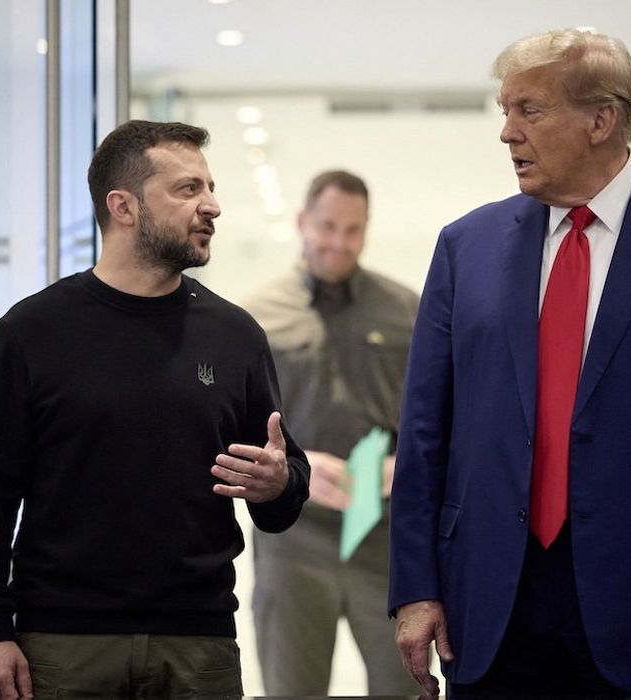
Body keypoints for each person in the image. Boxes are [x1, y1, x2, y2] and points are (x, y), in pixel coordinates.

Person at [388, 28, 631, 697]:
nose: (506, 133)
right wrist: (415, 588)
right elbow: (423, 431)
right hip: (489, 601)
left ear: (601, 119)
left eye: (528, 110)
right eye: (504, 111)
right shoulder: (466, 246)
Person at [0, 120, 310, 700]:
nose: (212, 205)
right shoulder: (32, 331)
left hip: (200, 646)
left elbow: (282, 487)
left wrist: (278, 483)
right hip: (62, 646)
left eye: (210, 187)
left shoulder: (234, 334)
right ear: (123, 206)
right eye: (188, 189)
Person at [245, 170, 421, 696]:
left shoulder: (406, 310)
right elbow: (231, 424)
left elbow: (443, 414)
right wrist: (294, 466)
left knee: (405, 688)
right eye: (327, 227)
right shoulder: (256, 317)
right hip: (292, 534)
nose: (338, 242)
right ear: (302, 222)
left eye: (353, 229)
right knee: (292, 689)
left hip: (389, 536)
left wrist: (405, 466)